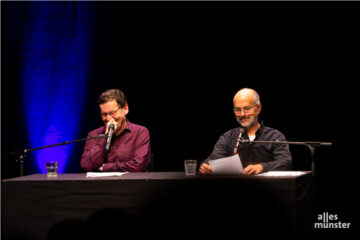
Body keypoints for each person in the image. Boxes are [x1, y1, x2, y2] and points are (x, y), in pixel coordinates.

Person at [199, 88, 291, 175]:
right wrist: (206, 167)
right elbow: (212, 161)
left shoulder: (275, 136)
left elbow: (285, 162)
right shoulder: (227, 137)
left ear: (258, 109)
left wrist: (263, 167)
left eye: (247, 109)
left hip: (269, 189)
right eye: (238, 110)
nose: (242, 114)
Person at [81, 89, 151, 172]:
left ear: (125, 109)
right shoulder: (93, 135)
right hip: (101, 184)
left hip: (130, 184)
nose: (108, 119)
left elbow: (138, 165)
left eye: (112, 113)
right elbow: (86, 166)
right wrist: (105, 138)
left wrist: (105, 167)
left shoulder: (140, 132)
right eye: (104, 114)